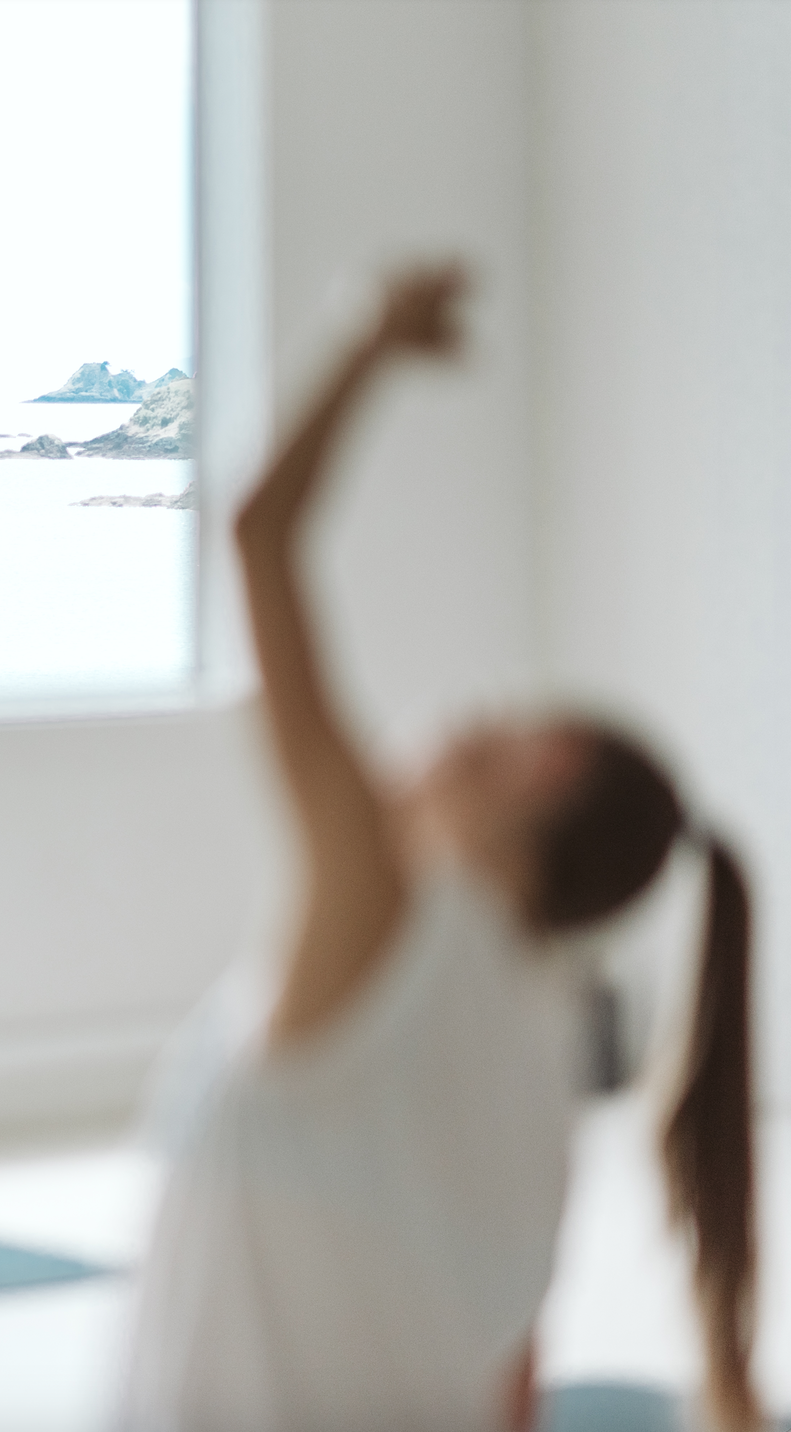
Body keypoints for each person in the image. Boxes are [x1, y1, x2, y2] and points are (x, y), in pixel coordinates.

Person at [119, 268, 760, 1432]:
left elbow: (260, 534)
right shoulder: (546, 1055)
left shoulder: (381, 914)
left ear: (541, 770)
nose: (450, 717)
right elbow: (508, 1396)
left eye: (496, 715)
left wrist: (368, 338)